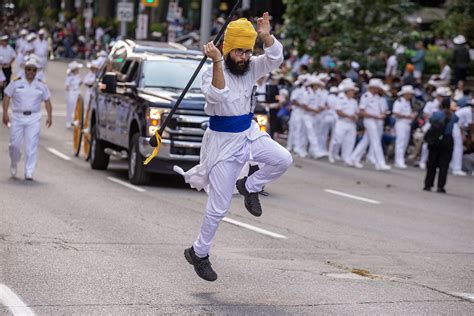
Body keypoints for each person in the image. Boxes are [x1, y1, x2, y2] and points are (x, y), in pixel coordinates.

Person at [175, 13, 291, 282]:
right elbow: (218, 96)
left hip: (248, 133)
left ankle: (250, 186)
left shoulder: (251, 66)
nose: (244, 56)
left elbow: (275, 58)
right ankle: (198, 252)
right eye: (239, 51)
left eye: (248, 51)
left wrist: (265, 36)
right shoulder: (211, 71)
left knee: (283, 159)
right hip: (222, 142)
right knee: (219, 207)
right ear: (228, 50)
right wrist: (216, 61)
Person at [2, 57, 52, 180]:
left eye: (33, 70)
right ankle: (14, 163)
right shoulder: (16, 82)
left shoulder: (41, 85)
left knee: (31, 145)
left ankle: (29, 171)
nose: (31, 72)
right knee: (14, 145)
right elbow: (7, 96)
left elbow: (47, 101)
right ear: (25, 70)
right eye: (29, 69)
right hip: (17, 117)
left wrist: (50, 116)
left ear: (36, 71)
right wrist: (5, 113)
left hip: (34, 117)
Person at [349, 78, 391, 170]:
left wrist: (381, 115)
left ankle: (353, 158)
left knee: (365, 141)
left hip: (376, 121)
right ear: (372, 88)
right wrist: (376, 116)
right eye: (376, 88)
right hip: (369, 120)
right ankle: (380, 163)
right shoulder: (366, 96)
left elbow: (383, 110)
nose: (378, 90)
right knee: (376, 141)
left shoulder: (378, 98)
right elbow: (362, 112)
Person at [424, 98, 459, 193]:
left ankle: (428, 184)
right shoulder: (453, 116)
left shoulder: (436, 114)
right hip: (447, 140)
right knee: (444, 165)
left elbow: (431, 121)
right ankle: (441, 186)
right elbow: (456, 120)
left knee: (432, 163)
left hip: (435, 140)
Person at [419, 87, 451, 170]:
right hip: (431, 125)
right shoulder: (430, 104)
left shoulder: (445, 106)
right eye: (441, 96)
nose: (442, 98)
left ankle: (434, 163)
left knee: (438, 145)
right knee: (426, 144)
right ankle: (423, 161)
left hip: (440, 127)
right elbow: (425, 114)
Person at [329, 80, 358, 165]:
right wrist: (349, 116)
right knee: (337, 140)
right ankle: (332, 154)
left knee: (349, 141)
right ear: (347, 91)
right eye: (352, 91)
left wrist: (355, 116)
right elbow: (338, 111)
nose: (353, 92)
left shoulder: (354, 101)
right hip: (342, 122)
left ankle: (346, 157)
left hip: (351, 123)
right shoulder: (341, 99)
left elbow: (356, 112)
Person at [392, 85, 416, 168]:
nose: (411, 96)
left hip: (407, 124)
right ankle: (398, 160)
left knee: (405, 143)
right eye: (409, 94)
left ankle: (401, 159)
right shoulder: (399, 101)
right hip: (401, 123)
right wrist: (408, 116)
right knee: (400, 142)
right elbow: (396, 113)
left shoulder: (408, 102)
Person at [451, 101, 473, 176]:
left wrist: (463, 134)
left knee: (457, 148)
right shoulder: (468, 111)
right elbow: (469, 125)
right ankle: (456, 169)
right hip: (456, 128)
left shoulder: (466, 110)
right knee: (458, 148)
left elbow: (463, 125)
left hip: (457, 128)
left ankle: (453, 166)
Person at [65, 61, 83, 128]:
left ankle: (76, 121)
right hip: (71, 93)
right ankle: (69, 122)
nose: (79, 70)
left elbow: (79, 83)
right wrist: (69, 93)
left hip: (77, 92)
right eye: (77, 69)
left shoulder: (78, 76)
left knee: (77, 107)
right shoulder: (69, 77)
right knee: (70, 108)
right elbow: (66, 87)